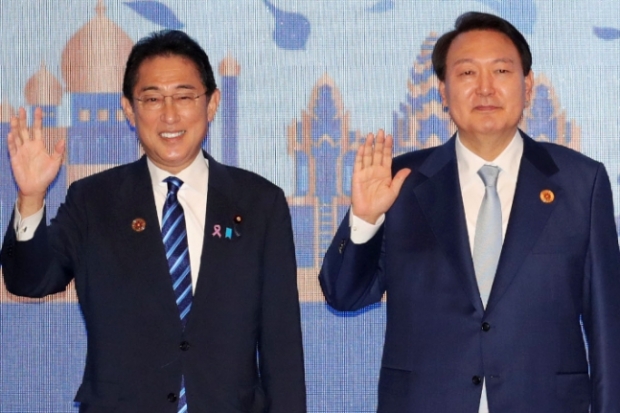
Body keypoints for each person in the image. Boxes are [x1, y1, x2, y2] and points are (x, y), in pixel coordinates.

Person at [319, 11, 620, 413]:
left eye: (501, 70)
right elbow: (344, 296)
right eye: (466, 73)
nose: (485, 88)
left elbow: (608, 328)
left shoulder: (581, 182)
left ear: (527, 85)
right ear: (443, 91)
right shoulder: (400, 183)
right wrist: (365, 220)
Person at [1, 30, 306, 413]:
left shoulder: (260, 202)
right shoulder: (93, 201)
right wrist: (31, 197)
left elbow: (282, 346)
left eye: (184, 96)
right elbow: (29, 281)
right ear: (129, 110)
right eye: (152, 99)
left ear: (212, 103)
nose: (170, 115)